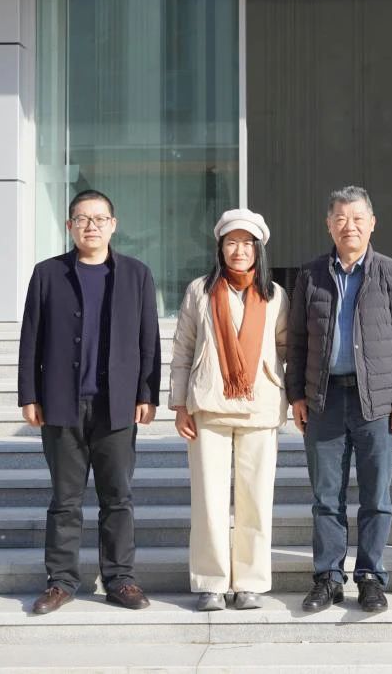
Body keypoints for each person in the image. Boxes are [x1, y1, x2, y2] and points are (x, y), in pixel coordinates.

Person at [18, 189, 161, 615]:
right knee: (65, 500)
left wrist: (147, 393)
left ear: (113, 225)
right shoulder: (48, 274)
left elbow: (148, 340)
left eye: (99, 219)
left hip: (116, 406)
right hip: (61, 403)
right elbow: (31, 338)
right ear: (70, 226)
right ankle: (61, 582)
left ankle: (120, 579)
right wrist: (29, 394)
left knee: (117, 497)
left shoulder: (135, 274)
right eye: (82, 219)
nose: (91, 226)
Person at [287, 186, 392, 614]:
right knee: (326, 498)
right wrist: (296, 394)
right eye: (341, 218)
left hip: (376, 404)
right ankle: (328, 577)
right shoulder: (311, 275)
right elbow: (296, 341)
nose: (350, 226)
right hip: (324, 400)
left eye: (358, 218)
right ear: (329, 225)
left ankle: (370, 577)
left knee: (375, 498)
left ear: (372, 223)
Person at [170, 209, 288, 612]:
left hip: (260, 406)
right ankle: (211, 582)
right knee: (209, 499)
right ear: (220, 248)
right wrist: (179, 404)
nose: (239, 250)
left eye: (247, 243)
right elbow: (183, 349)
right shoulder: (199, 291)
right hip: (208, 404)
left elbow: (287, 348)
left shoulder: (275, 295)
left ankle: (250, 583)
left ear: (259, 249)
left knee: (256, 498)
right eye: (231, 242)